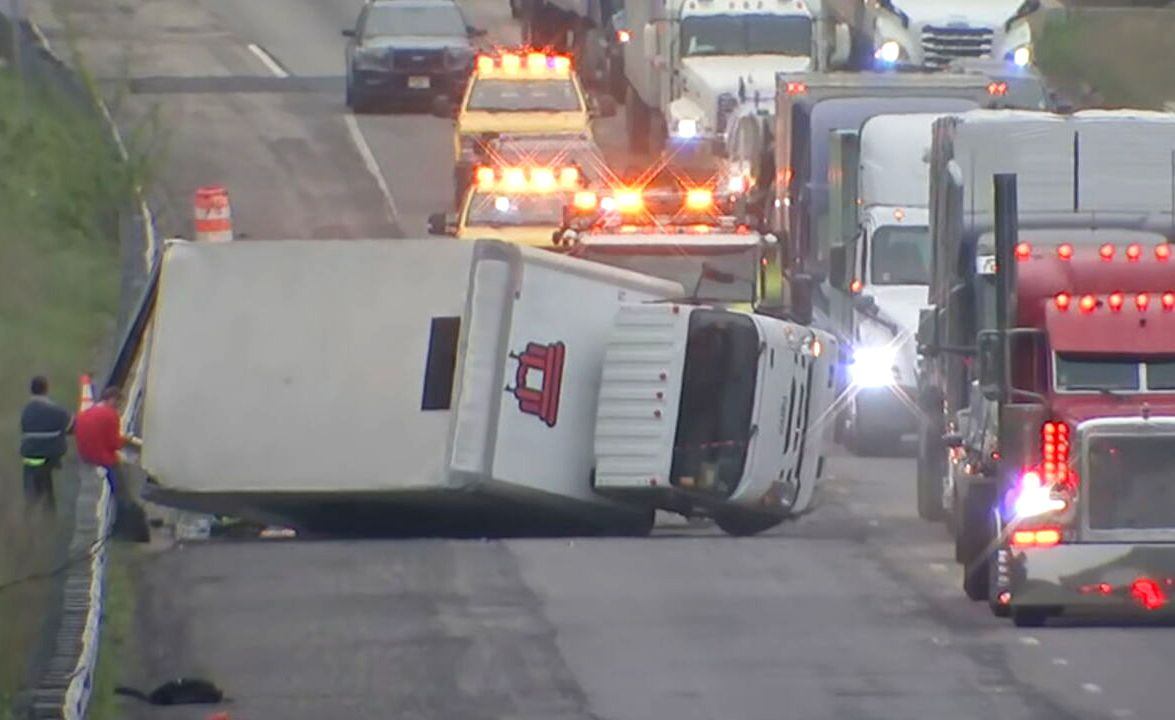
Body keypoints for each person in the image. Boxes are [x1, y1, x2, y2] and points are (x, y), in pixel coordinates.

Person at [75, 386, 143, 536]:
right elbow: (114, 444)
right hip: (104, 458)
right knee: (122, 489)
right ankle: (125, 524)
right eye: (118, 403)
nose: (119, 407)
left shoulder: (85, 413)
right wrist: (126, 441)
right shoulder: (110, 415)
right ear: (112, 399)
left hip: (86, 457)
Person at [19, 376, 74, 512]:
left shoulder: (26, 410)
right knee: (48, 487)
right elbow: (71, 428)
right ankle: (49, 515)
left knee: (32, 489)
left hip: (29, 455)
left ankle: (28, 515)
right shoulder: (56, 411)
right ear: (46, 389)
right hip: (50, 455)